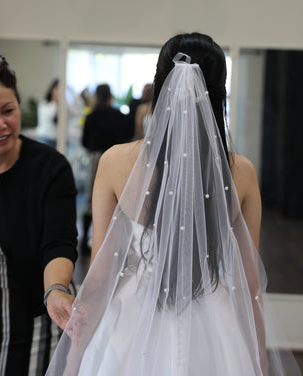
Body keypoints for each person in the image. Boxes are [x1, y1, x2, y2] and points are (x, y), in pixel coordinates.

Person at [46, 33, 301, 375]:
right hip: (214, 322)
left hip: (131, 322)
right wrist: (259, 357)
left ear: (160, 87)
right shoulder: (241, 173)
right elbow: (249, 286)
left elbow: (101, 275)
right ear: (219, 94)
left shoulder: (115, 163)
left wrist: (75, 358)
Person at [0, 55, 78, 376]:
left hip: (38, 325)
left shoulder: (50, 169)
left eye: (7, 111)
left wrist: (56, 290)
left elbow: (59, 243)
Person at [80, 84, 130, 254]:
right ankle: (117, 245)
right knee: (118, 199)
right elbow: (127, 137)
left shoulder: (91, 116)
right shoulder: (120, 116)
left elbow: (84, 141)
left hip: (96, 158)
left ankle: (86, 240)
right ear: (110, 97)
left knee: (90, 199)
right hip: (118, 159)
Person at [36, 78, 59, 148]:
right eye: (57, 89)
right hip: (45, 138)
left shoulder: (62, 106)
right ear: (52, 89)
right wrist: (55, 100)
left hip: (57, 139)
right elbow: (50, 116)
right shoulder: (44, 103)